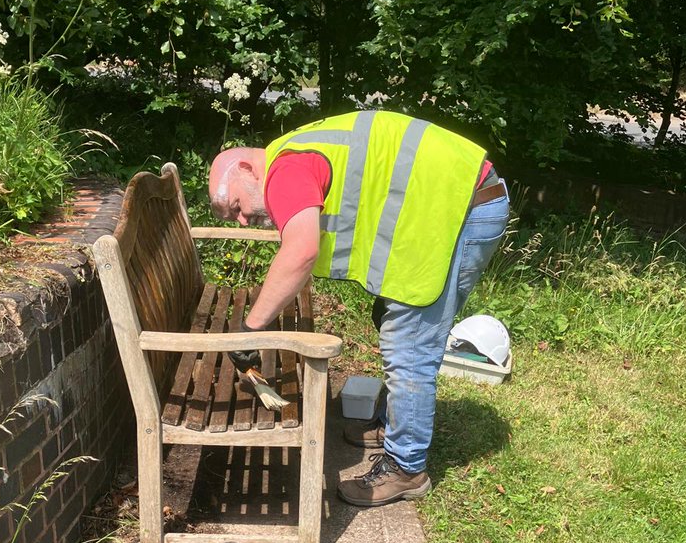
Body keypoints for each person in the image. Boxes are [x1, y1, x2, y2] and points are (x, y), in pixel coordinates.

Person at [208, 109, 509, 507]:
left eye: (236, 206)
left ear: (247, 169)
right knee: (398, 323)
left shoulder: (285, 170)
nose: (243, 220)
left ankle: (406, 468)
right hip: (448, 206)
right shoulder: (294, 153)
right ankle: (394, 426)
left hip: (459, 211)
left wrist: (252, 330)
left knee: (410, 344)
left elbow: (301, 251)